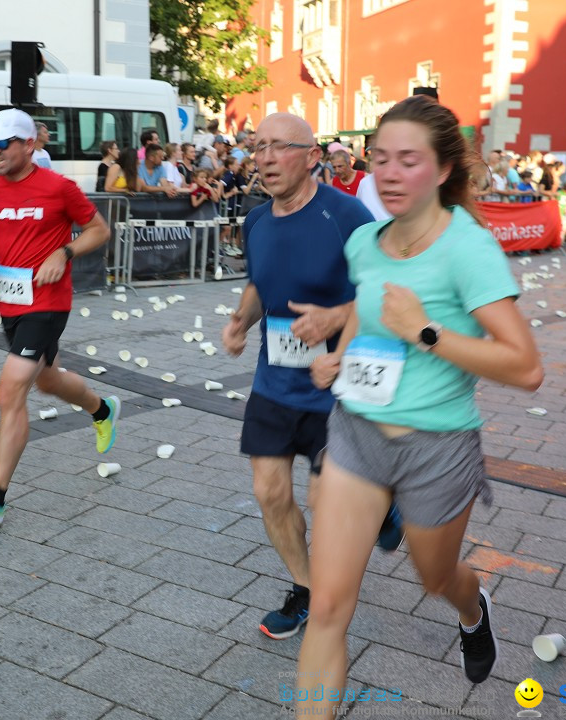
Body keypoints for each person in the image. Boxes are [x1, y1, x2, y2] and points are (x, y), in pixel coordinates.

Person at [294, 96, 542, 707]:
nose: (390, 173)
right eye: (380, 159)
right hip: (357, 435)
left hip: (437, 448)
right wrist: (342, 359)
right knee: (326, 606)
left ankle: (471, 608)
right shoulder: (364, 242)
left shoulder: (468, 249)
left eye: (409, 160)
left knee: (435, 579)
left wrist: (425, 331)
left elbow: (527, 367)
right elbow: (366, 310)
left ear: (443, 169)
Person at [220, 112, 388, 642]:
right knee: (269, 490)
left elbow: (385, 293)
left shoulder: (347, 215)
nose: (265, 158)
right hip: (275, 382)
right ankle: (306, 588)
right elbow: (258, 283)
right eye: (258, 146)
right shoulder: (255, 220)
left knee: (324, 502)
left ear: (313, 156)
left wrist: (336, 321)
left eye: (279, 147)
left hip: (336, 386)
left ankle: (382, 495)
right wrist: (239, 322)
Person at [0, 108, 119, 527]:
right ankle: (102, 410)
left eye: (3, 143)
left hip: (48, 303)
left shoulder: (57, 187)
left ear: (29, 144)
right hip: (10, 303)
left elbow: (100, 230)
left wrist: (63, 253)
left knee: (11, 390)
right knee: (46, 380)